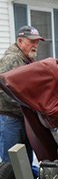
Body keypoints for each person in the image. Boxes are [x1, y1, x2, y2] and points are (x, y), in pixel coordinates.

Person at [0, 25, 44, 162]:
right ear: (20, 42)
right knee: (11, 164)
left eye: (37, 42)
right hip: (11, 119)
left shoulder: (27, 60)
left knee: (25, 161)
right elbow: (3, 91)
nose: (35, 45)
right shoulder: (12, 60)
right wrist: (30, 104)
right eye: (32, 41)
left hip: (23, 117)